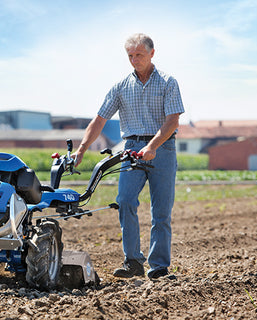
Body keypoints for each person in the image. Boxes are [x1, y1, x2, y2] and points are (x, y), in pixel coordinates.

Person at [73, 33, 185, 279]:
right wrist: (81, 148)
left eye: (139, 55)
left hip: (163, 149)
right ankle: (133, 261)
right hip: (132, 148)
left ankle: (159, 267)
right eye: (130, 56)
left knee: (161, 212)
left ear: (152, 53)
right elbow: (100, 119)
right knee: (124, 201)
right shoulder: (121, 86)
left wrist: (153, 146)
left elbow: (172, 121)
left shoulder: (168, 82)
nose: (134, 60)